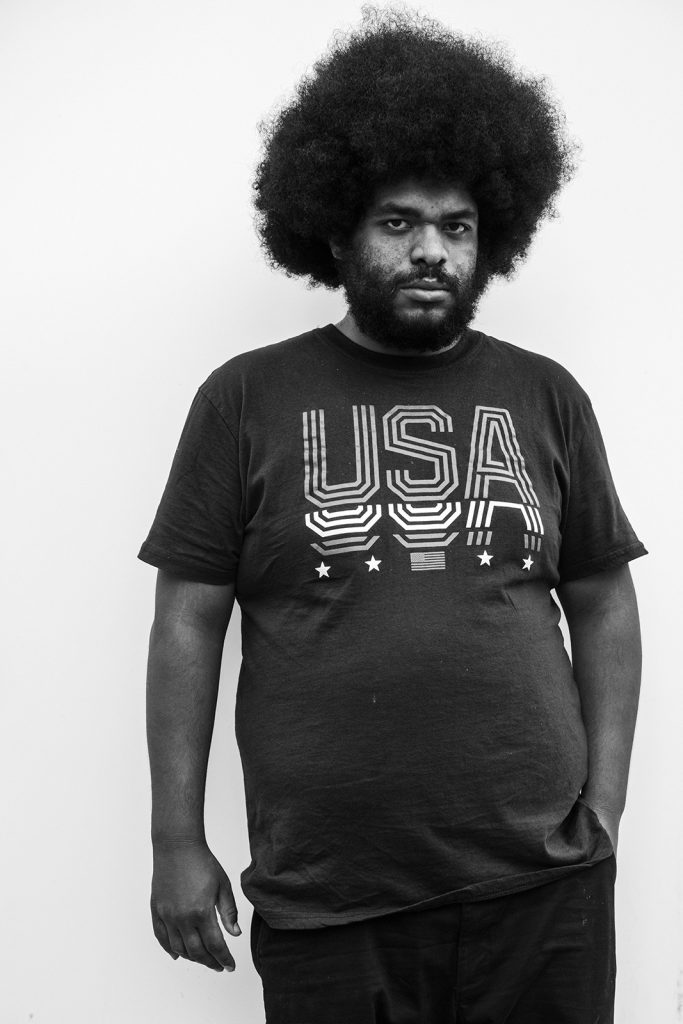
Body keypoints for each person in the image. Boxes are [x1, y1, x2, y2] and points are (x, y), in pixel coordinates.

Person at [139, 8, 647, 1022]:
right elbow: (188, 618)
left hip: (540, 889)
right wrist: (174, 839)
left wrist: (605, 807)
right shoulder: (244, 399)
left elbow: (601, 601)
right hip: (332, 900)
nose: (431, 252)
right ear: (334, 231)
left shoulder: (544, 394)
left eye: (456, 228)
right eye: (398, 222)